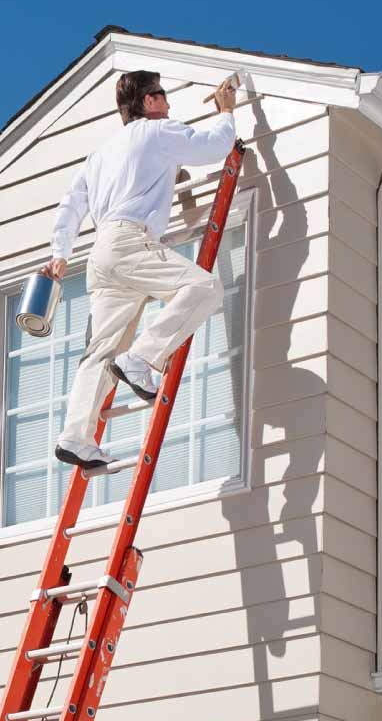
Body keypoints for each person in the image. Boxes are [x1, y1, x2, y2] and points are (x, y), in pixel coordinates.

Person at [41, 70, 239, 469]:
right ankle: (143, 358)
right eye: (163, 96)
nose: (169, 104)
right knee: (205, 289)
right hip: (131, 242)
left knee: (100, 352)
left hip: (101, 255)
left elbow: (71, 205)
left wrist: (60, 252)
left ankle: (76, 436)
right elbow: (215, 145)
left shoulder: (99, 156)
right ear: (149, 102)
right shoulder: (157, 132)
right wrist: (226, 111)